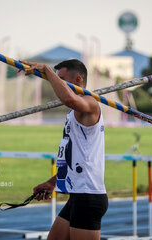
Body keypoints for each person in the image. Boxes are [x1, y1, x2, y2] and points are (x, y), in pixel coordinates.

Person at [21, 59, 108, 240]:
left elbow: (68, 99)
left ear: (77, 80)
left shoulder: (90, 104)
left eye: (61, 79)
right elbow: (73, 157)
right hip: (77, 194)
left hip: (89, 196)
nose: (55, 83)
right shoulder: (74, 113)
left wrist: (46, 69)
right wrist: (52, 182)